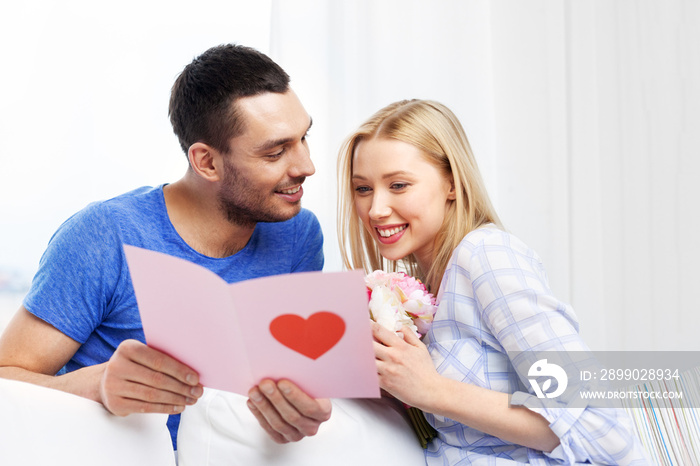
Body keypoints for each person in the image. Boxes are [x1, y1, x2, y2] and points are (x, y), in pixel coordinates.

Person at [0, 44, 332, 450]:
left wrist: (300, 408)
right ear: (206, 162)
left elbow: (290, 374)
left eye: (304, 138)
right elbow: (5, 376)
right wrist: (96, 386)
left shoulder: (297, 233)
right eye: (276, 152)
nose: (305, 166)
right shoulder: (105, 234)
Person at [336, 99, 649, 464]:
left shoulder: (486, 255)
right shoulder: (419, 287)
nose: (376, 209)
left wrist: (432, 390)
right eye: (363, 189)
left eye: (399, 185)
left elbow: (601, 429)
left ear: (452, 184)